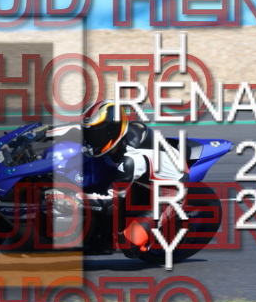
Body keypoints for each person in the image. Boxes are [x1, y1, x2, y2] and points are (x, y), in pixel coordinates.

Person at [46, 100, 187, 258]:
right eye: (89, 133)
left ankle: (164, 233)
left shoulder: (131, 160)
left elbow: (109, 202)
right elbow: (76, 128)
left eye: (96, 134)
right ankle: (101, 237)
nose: (91, 138)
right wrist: (42, 133)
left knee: (129, 244)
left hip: (169, 191)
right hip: (144, 177)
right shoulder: (120, 134)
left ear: (111, 131)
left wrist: (73, 199)